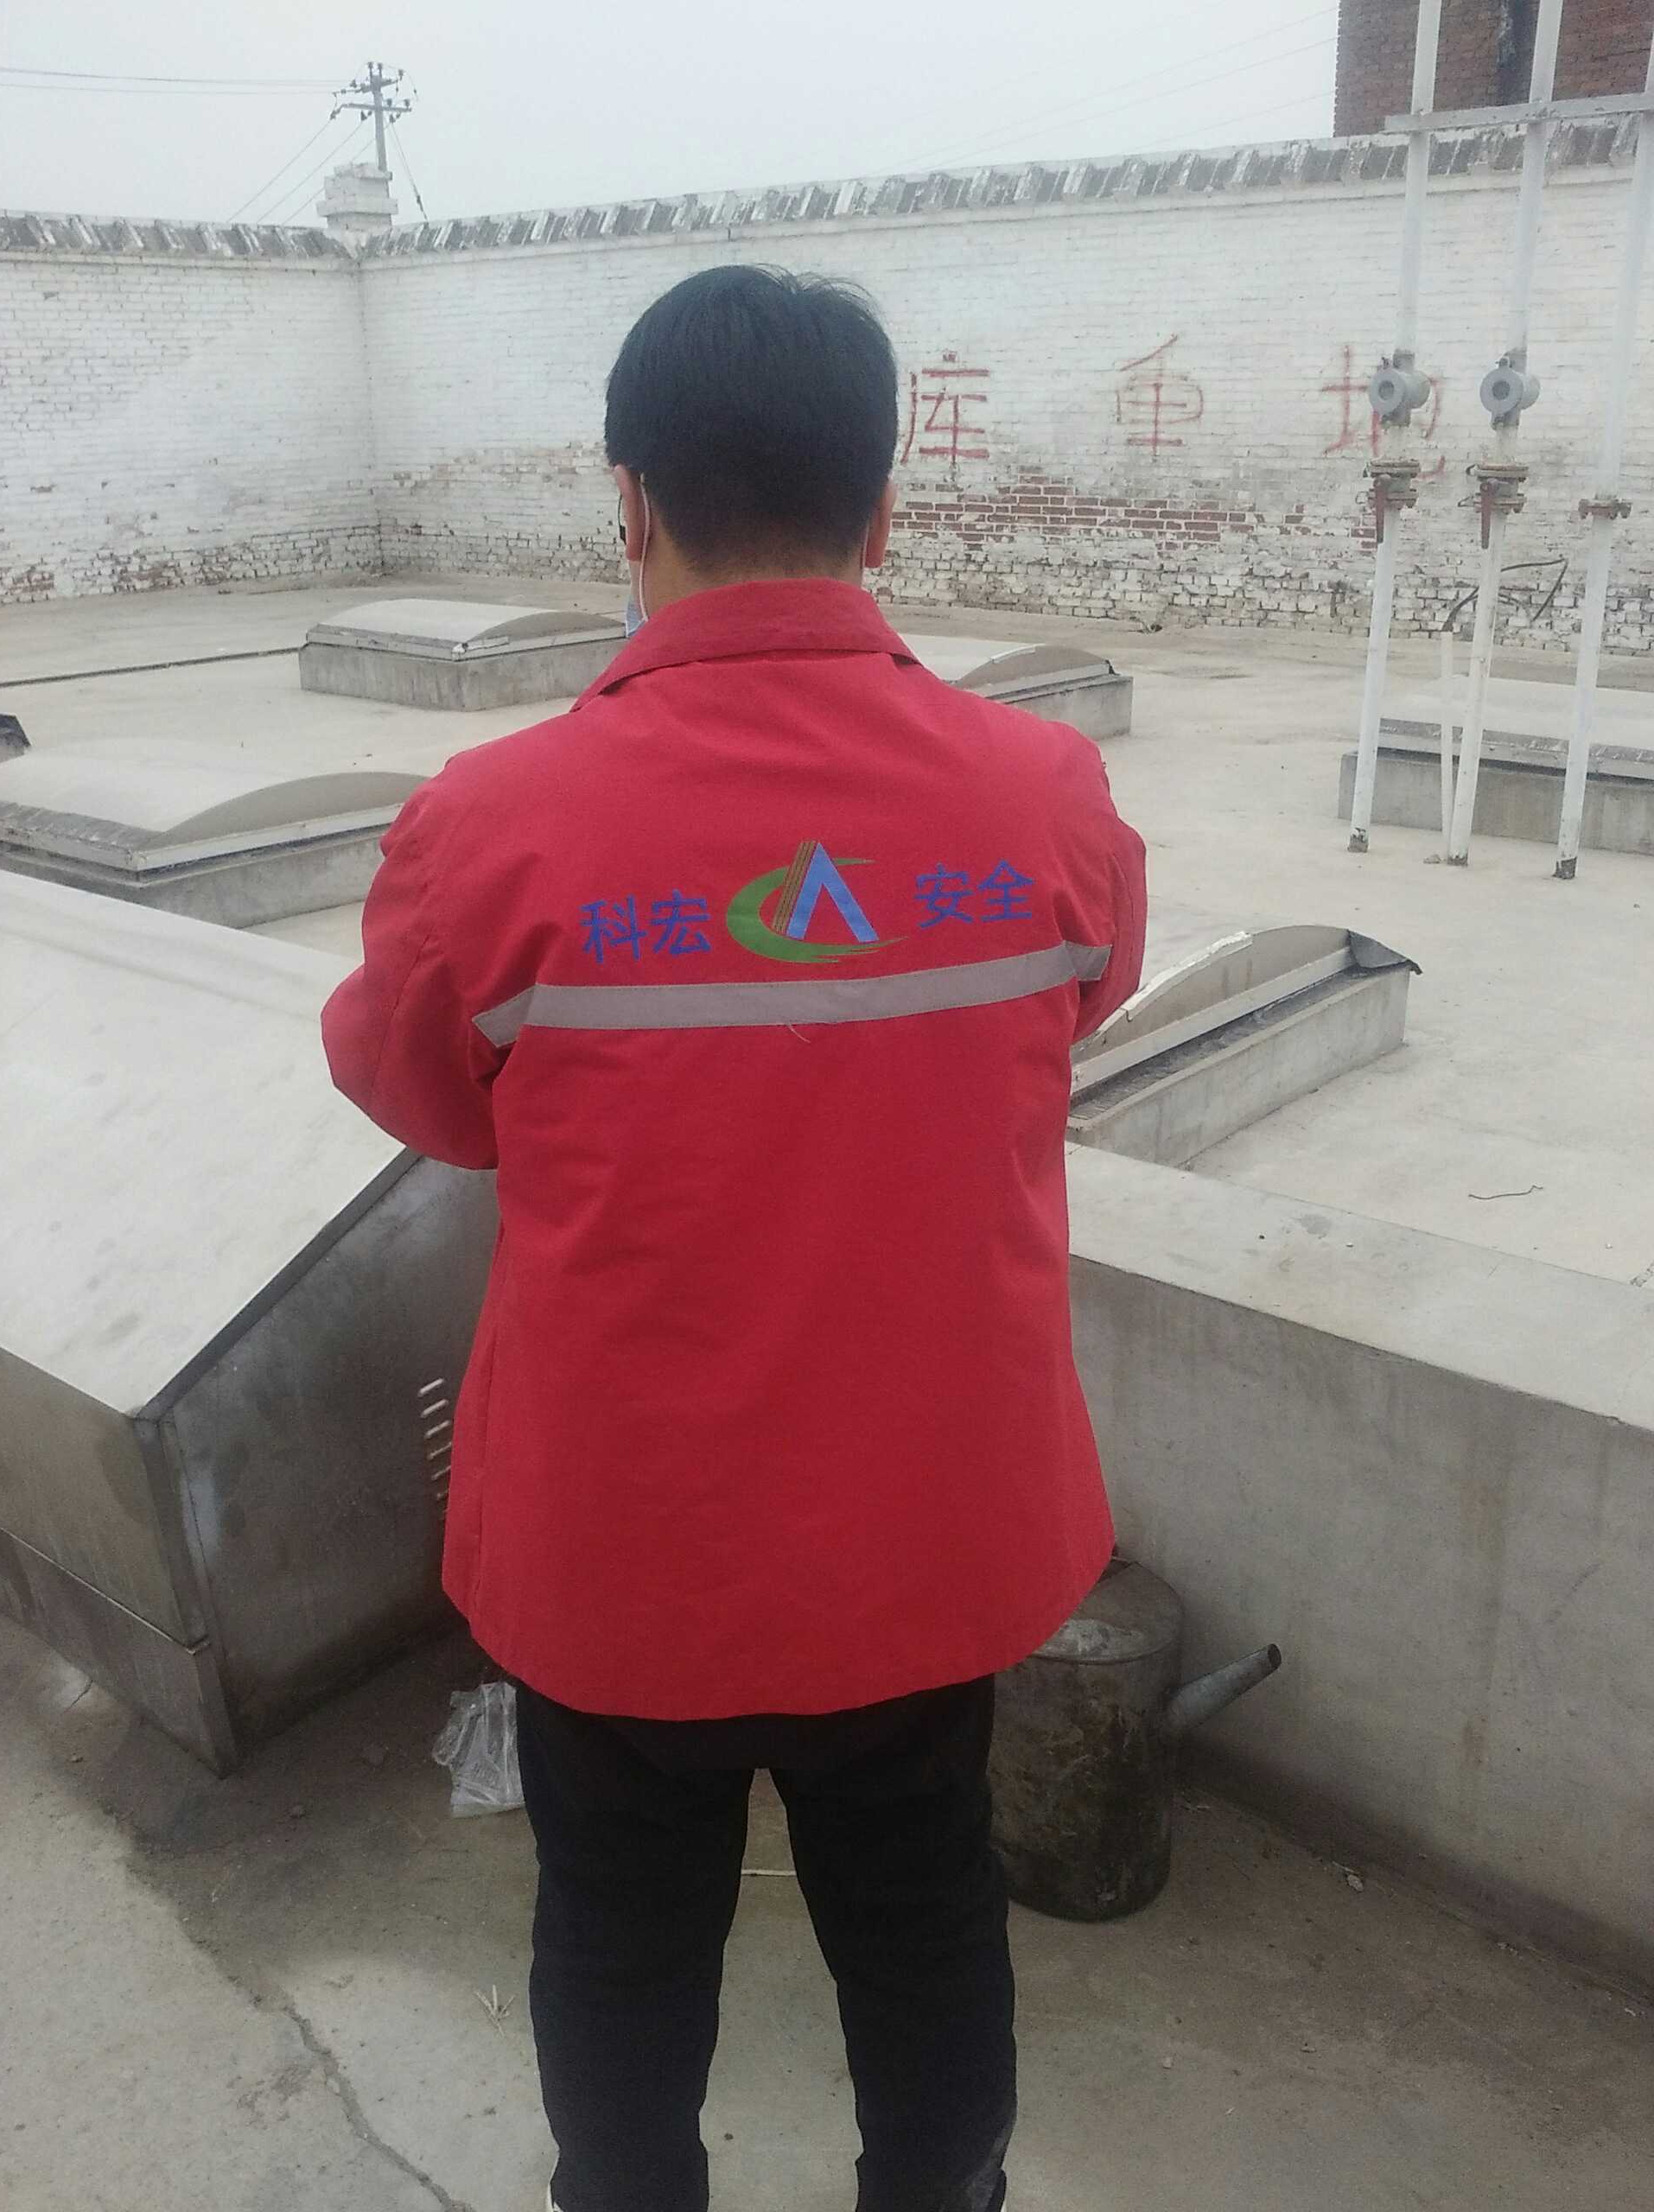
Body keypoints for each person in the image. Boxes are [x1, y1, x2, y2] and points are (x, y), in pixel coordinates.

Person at [322, 264, 1147, 2212]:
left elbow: (427, 1094)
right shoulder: (1042, 795)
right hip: (928, 1538)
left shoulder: (491, 825)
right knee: (925, 1915)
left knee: (618, 1946)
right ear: (884, 509)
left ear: (629, 504)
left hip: (624, 1560)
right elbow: (1076, 1011)